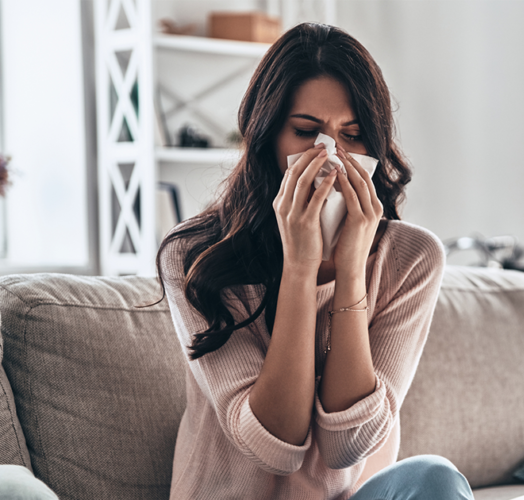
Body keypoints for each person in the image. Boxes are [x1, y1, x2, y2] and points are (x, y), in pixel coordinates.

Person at [155, 23, 473, 500]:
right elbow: (275, 448)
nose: (333, 157)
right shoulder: (195, 255)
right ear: (267, 139)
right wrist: (301, 271)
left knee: (435, 478)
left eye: (354, 135)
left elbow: (349, 446)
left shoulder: (412, 258)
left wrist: (350, 273)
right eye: (306, 132)